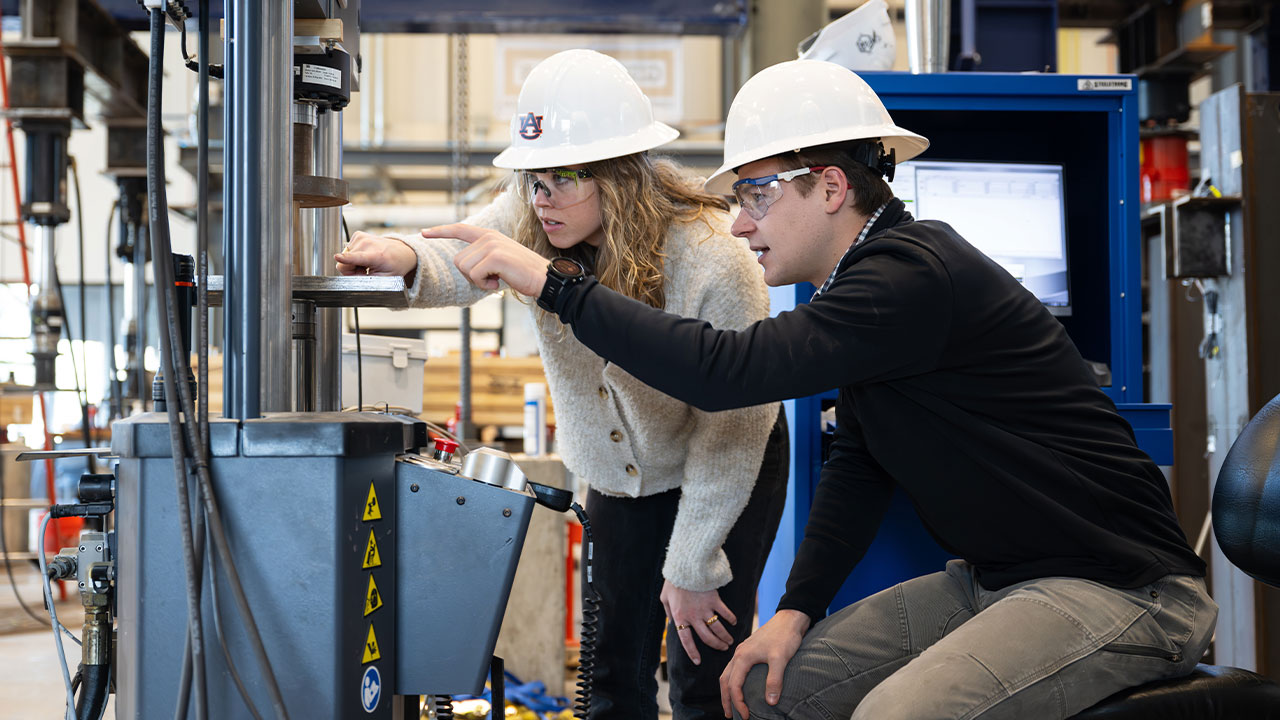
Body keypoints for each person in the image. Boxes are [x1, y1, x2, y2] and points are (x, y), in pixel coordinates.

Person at [440, 59, 1216, 720]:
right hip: (998, 583)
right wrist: (795, 610)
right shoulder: (859, 292)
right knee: (765, 688)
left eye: (755, 195)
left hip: (1121, 591)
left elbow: (724, 371)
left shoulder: (910, 276)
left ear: (832, 187)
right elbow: (863, 459)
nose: (740, 225)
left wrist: (558, 287)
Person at [335, 49, 789, 720]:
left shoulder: (712, 257)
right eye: (531, 178)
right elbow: (470, 252)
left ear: (620, 177)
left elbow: (735, 422)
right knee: (613, 675)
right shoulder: (533, 213)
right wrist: (403, 256)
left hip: (721, 463)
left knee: (701, 670)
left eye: (562, 180)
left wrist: (692, 564)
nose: (541, 198)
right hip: (619, 479)